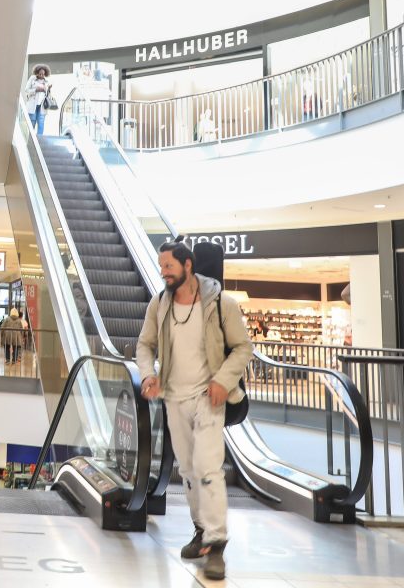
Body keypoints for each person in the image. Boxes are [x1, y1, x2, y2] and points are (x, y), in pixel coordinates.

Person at [136, 240, 253, 582]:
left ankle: (216, 545)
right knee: (187, 470)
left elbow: (243, 347)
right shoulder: (159, 304)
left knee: (207, 467)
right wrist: (148, 374)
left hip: (209, 398)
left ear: (188, 266)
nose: (164, 273)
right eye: (161, 267)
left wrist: (222, 381)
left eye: (169, 266)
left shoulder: (221, 305)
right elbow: (145, 344)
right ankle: (201, 531)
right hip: (174, 398)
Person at [23, 64, 52, 135]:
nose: (41, 75)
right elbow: (26, 90)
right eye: (40, 74)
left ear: (45, 73)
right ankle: (30, 138)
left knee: (41, 123)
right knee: (32, 122)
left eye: (43, 74)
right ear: (37, 72)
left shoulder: (47, 81)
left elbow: (48, 95)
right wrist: (36, 90)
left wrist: (48, 89)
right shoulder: (32, 78)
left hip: (42, 106)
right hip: (33, 105)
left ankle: (39, 140)